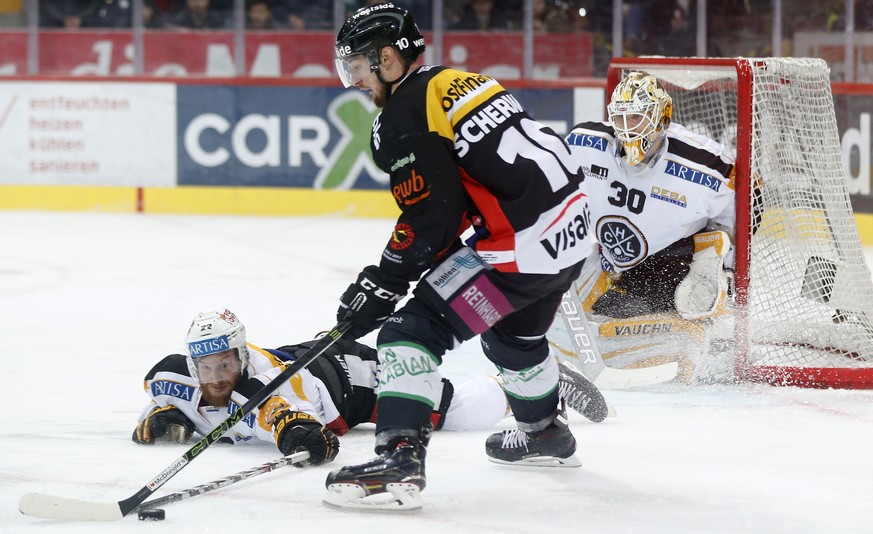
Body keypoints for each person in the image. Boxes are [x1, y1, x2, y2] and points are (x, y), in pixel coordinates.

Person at [328, 3, 592, 510]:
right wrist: (411, 266)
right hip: (573, 234)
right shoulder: (459, 82)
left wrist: (382, 282)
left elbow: (433, 219)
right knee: (514, 336)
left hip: (517, 252)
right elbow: (463, 201)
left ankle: (399, 459)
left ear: (387, 58)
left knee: (412, 330)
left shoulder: (403, 114)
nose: (355, 81)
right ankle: (544, 434)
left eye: (358, 66)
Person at [133, 308, 607, 460]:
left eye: (225, 364)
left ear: (241, 355)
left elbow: (287, 418)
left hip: (348, 379)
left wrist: (301, 437)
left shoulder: (268, 390)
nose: (215, 378)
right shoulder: (176, 375)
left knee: (448, 411)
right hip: (308, 358)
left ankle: (529, 383)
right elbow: (160, 391)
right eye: (206, 368)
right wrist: (159, 419)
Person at [566, 71, 737, 324]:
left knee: (641, 312)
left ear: (662, 115)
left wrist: (726, 269)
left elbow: (742, 215)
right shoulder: (584, 145)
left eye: (636, 117)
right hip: (612, 260)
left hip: (674, 261)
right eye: (620, 118)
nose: (627, 128)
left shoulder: (706, 166)